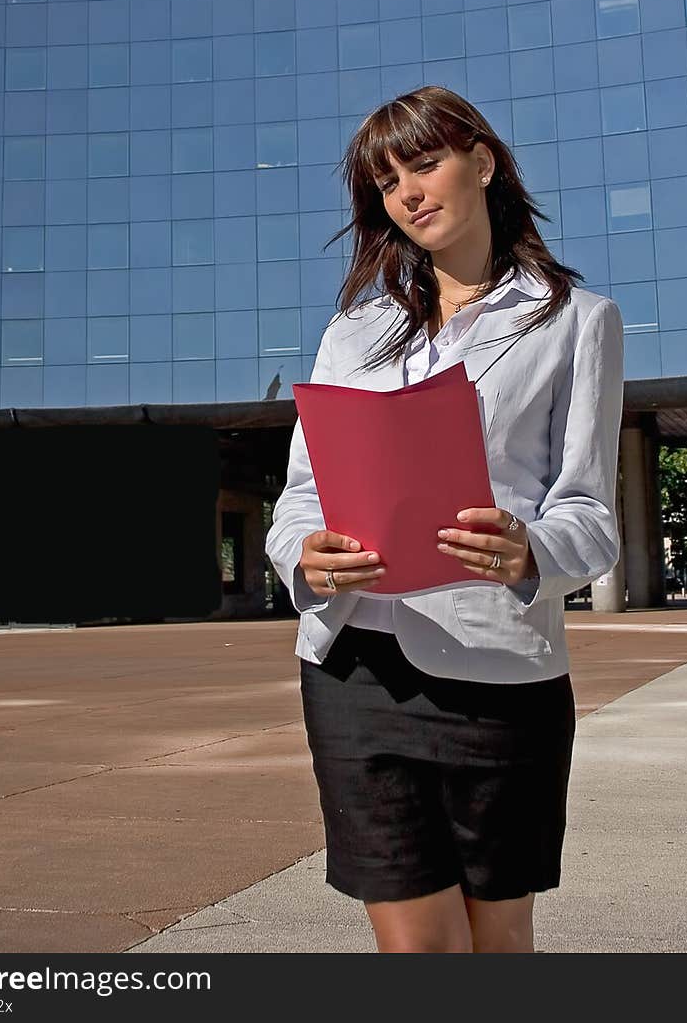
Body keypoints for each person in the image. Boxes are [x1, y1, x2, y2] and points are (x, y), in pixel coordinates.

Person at [265, 86, 624, 953]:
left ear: (485, 162)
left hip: (499, 675)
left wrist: (529, 547)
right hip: (356, 669)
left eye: (425, 164)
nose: (410, 193)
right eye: (389, 182)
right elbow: (300, 496)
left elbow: (589, 512)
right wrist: (305, 556)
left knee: (496, 945)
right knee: (418, 952)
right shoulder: (354, 332)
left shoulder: (576, 322)